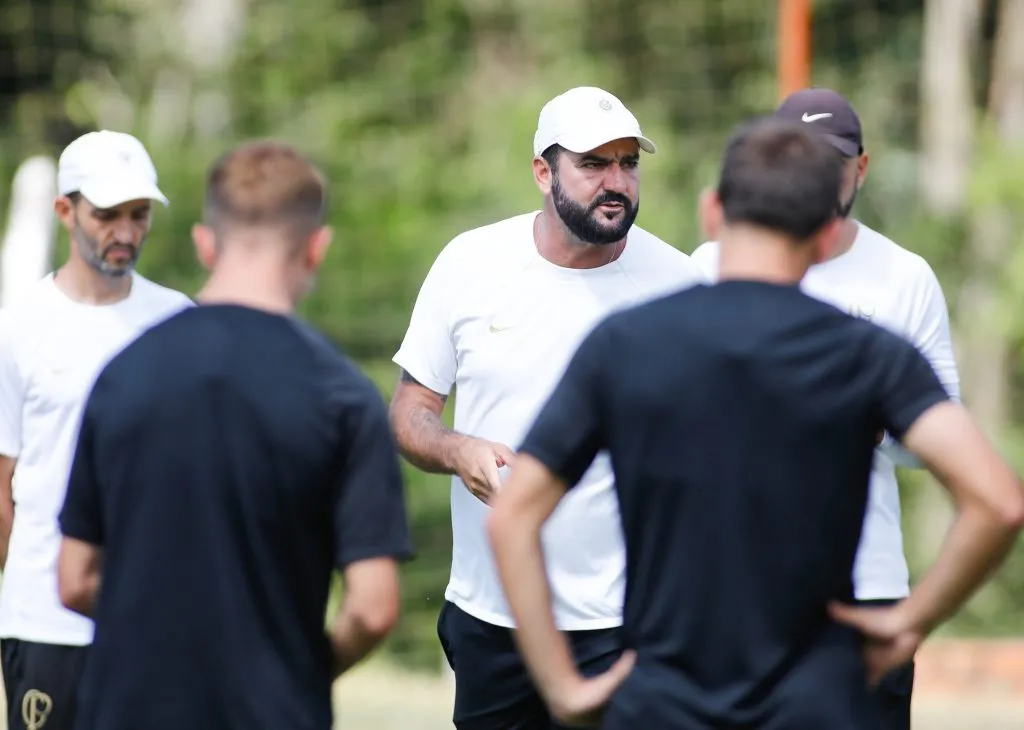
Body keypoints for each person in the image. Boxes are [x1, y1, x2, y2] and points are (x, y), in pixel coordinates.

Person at [488, 117, 1024, 730]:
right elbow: (998, 502)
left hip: (662, 704)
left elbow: (512, 516)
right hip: (817, 704)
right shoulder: (867, 354)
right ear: (827, 234)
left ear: (712, 213)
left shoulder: (625, 343)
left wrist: (562, 687)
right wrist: (909, 622)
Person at [56, 140, 413, 730]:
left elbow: (74, 581)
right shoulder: (344, 396)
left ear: (205, 244)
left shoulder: (121, 376)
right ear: (317, 248)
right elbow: (373, 609)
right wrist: (296, 667)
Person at [389, 85, 702, 729]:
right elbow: (409, 412)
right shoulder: (470, 263)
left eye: (628, 163)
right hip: (492, 618)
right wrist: (458, 450)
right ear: (542, 172)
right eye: (593, 164)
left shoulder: (682, 286)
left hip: (634, 623)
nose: (616, 182)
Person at [689, 87, 960, 730]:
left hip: (864, 586)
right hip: (734, 582)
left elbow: (944, 446)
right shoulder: (709, 266)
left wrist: (869, 423)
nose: (815, 177)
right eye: (800, 159)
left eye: (831, 162)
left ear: (859, 168)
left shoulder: (904, 276)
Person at [0, 130, 192, 730]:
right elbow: (1, 482)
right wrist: (33, 588)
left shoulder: (178, 321)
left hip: (158, 619)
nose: (126, 232)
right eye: (107, 215)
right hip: (47, 625)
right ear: (65, 211)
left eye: (139, 215)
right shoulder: (19, 327)